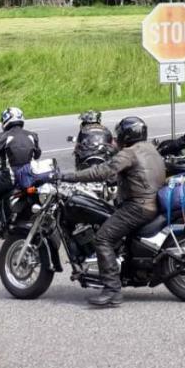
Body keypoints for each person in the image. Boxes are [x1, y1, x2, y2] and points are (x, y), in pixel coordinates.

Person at [59, 116, 166, 308]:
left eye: (119, 134)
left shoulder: (129, 153)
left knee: (103, 239)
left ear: (127, 135)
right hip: (151, 203)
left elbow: (102, 171)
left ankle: (112, 291)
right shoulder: (149, 148)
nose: (117, 138)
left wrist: (70, 176)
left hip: (138, 206)